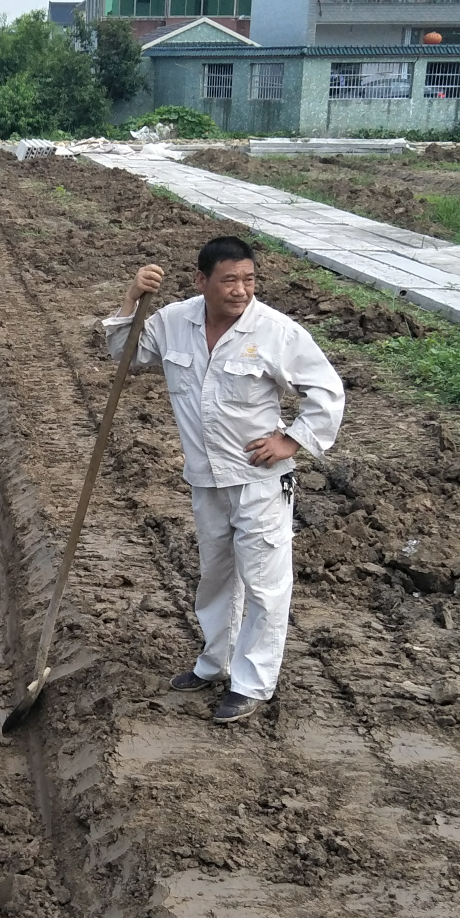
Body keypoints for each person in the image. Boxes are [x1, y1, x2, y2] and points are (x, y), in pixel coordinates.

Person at [104, 235, 344, 724]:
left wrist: (292, 440)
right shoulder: (173, 321)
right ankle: (214, 663)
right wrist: (131, 299)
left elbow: (328, 391)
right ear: (202, 281)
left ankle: (252, 683)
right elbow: (125, 356)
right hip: (205, 477)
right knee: (216, 576)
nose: (241, 290)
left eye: (249, 280)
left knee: (263, 584)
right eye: (229, 280)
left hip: (259, 480)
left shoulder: (276, 331)